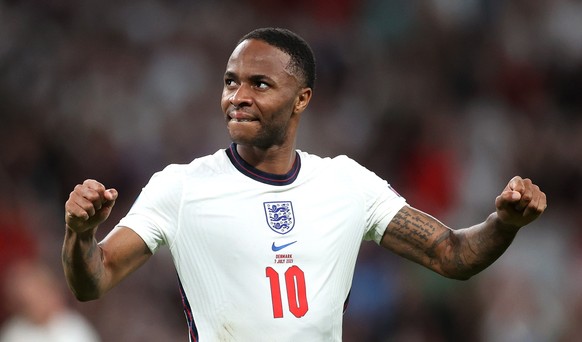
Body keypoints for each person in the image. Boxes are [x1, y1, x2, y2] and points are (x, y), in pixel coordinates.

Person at [62, 27, 547, 341]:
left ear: (302, 99)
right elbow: (94, 280)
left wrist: (503, 224)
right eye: (231, 81)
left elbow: (452, 255)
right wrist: (80, 233)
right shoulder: (181, 187)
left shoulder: (346, 183)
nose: (238, 97)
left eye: (260, 84)